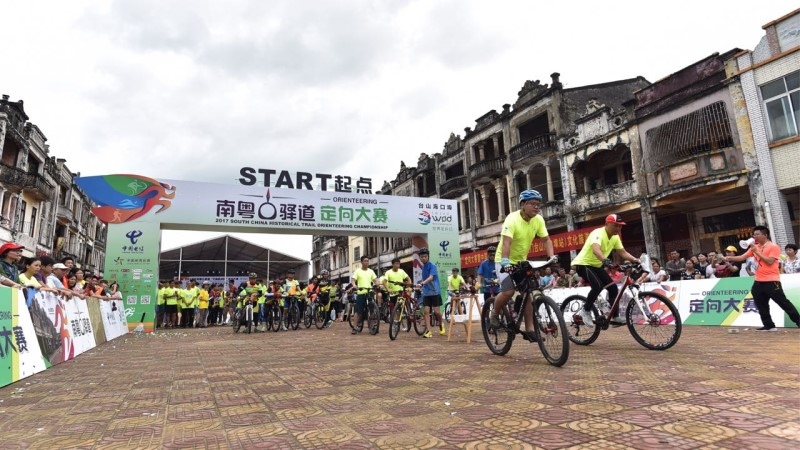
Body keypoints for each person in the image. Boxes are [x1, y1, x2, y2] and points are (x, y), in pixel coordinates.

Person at [489, 189, 557, 342]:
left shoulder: (538, 220)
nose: (536, 207)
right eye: (533, 204)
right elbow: (507, 242)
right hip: (503, 260)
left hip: (521, 261)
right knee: (508, 291)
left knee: (528, 292)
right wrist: (505, 262)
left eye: (538, 204)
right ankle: (494, 313)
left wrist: (551, 257)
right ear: (522, 204)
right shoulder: (511, 219)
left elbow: (546, 240)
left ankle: (530, 329)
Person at [571, 214, 640, 327]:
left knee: (613, 288)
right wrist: (605, 260)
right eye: (615, 226)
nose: (618, 229)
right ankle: (585, 311)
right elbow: (595, 249)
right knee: (597, 286)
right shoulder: (597, 233)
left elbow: (622, 252)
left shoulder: (615, 237)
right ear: (607, 224)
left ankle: (615, 317)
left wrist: (635, 259)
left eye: (620, 226)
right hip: (583, 264)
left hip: (597, 265)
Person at [726, 226, 800, 331]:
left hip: (772, 281)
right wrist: (728, 258)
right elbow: (742, 257)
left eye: (757, 234)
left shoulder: (773, 247)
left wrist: (756, 252)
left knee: (783, 302)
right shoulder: (755, 247)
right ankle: (768, 324)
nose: (754, 236)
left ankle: (798, 321)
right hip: (758, 281)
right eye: (754, 234)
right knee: (761, 304)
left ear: (765, 235)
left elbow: (769, 261)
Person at [416, 248, 445, 338]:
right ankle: (428, 331)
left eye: (425, 256)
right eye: (422, 257)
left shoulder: (432, 266)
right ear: (420, 258)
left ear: (428, 257)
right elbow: (425, 279)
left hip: (435, 292)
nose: (424, 258)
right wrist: (420, 285)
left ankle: (441, 323)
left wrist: (422, 283)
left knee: (437, 312)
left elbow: (431, 277)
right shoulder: (423, 267)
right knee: (426, 311)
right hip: (426, 293)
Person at [350, 256, 377, 335]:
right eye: (365, 261)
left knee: (372, 310)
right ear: (361, 262)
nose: (367, 262)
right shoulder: (357, 271)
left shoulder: (371, 271)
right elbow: (353, 280)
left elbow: (375, 280)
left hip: (369, 292)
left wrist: (379, 285)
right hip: (361, 292)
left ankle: (372, 326)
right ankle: (355, 327)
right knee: (358, 311)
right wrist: (354, 285)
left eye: (368, 261)